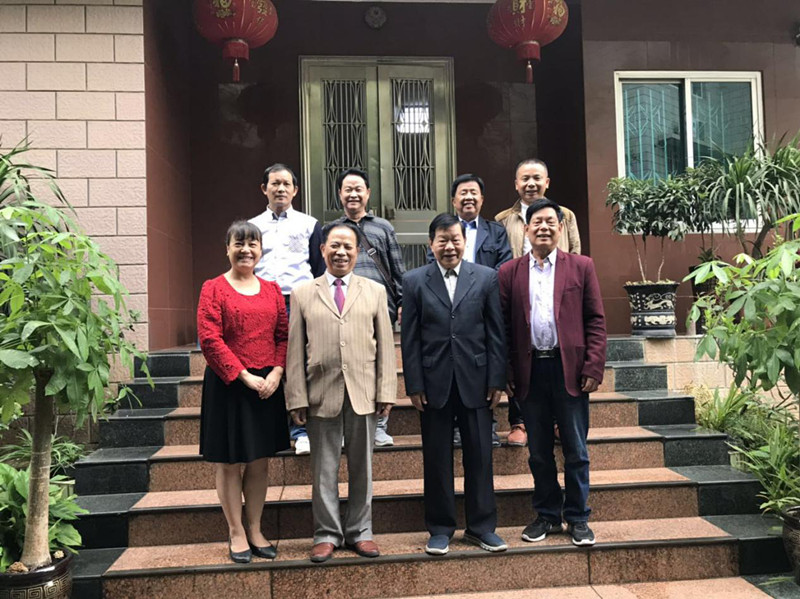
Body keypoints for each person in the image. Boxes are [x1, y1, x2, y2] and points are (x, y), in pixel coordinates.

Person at [285, 222, 397, 564]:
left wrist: (386, 390)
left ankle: (361, 531)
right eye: (334, 245)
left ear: (358, 252)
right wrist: (296, 397)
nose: (341, 252)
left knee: (362, 468)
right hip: (320, 392)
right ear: (322, 250)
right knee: (324, 469)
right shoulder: (303, 293)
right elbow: (294, 350)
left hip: (364, 391)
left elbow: (386, 346)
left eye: (348, 246)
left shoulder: (374, 291)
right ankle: (326, 534)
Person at [498, 199, 607, 547]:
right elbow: (503, 328)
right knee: (539, 452)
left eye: (550, 222)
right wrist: (507, 371)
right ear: (526, 230)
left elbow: (595, 320)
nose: (543, 227)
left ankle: (577, 517)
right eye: (537, 222)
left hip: (569, 370)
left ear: (560, 228)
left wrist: (593, 365)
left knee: (576, 449)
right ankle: (547, 514)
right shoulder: (509, 272)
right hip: (530, 371)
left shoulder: (581, 267)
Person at [402, 213, 507, 556]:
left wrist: (497, 379)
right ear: (431, 244)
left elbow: (496, 332)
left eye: (455, 239)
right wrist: (414, 384)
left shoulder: (486, 277)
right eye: (442, 240)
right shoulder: (414, 281)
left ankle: (481, 527)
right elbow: (410, 339)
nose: (449, 246)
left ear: (465, 241)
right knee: (436, 459)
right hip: (433, 383)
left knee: (480, 457)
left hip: (477, 381)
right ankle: (440, 528)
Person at [197, 220, 290, 564]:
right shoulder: (213, 288)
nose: (246, 250)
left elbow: (283, 335)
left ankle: (255, 528)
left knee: (259, 461)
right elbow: (209, 339)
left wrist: (277, 371)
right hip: (229, 385)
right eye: (239, 243)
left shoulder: (272, 290)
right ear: (227, 249)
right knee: (229, 463)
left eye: (253, 244)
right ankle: (236, 531)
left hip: (267, 386)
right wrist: (243, 375)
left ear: (261, 250)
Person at [494, 158, 581, 447]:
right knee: (519, 354)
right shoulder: (502, 219)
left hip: (557, 293)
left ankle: (557, 422)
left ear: (547, 182)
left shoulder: (566, 215)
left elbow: (576, 252)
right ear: (516, 184)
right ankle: (518, 422)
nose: (531, 184)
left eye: (536, 178)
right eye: (525, 179)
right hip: (519, 292)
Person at [426, 174, 512, 448]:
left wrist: (480, 291)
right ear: (454, 200)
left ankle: (488, 425)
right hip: (447, 306)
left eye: (474, 192)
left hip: (483, 305)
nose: (468, 197)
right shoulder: (441, 231)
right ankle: (454, 425)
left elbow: (504, 266)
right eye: (462, 193)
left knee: (481, 363)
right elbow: (432, 265)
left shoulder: (496, 231)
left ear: (482, 199)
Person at [249, 163, 325, 456]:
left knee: (298, 363)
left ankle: (301, 431)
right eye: (274, 183)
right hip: (263, 302)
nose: (280, 189)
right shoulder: (253, 226)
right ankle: (273, 428)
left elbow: (318, 268)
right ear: (263, 189)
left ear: (295, 190)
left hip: (299, 301)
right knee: (267, 362)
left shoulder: (309, 224)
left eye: (286, 184)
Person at [332, 168, 405, 447]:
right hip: (342, 308)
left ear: (368, 193)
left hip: (380, 307)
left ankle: (379, 426)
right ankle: (344, 426)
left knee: (380, 364)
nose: (353, 194)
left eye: (358, 189)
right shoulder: (332, 230)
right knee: (346, 365)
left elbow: (397, 268)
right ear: (340, 194)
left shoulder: (383, 227)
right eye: (348, 189)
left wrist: (402, 301)